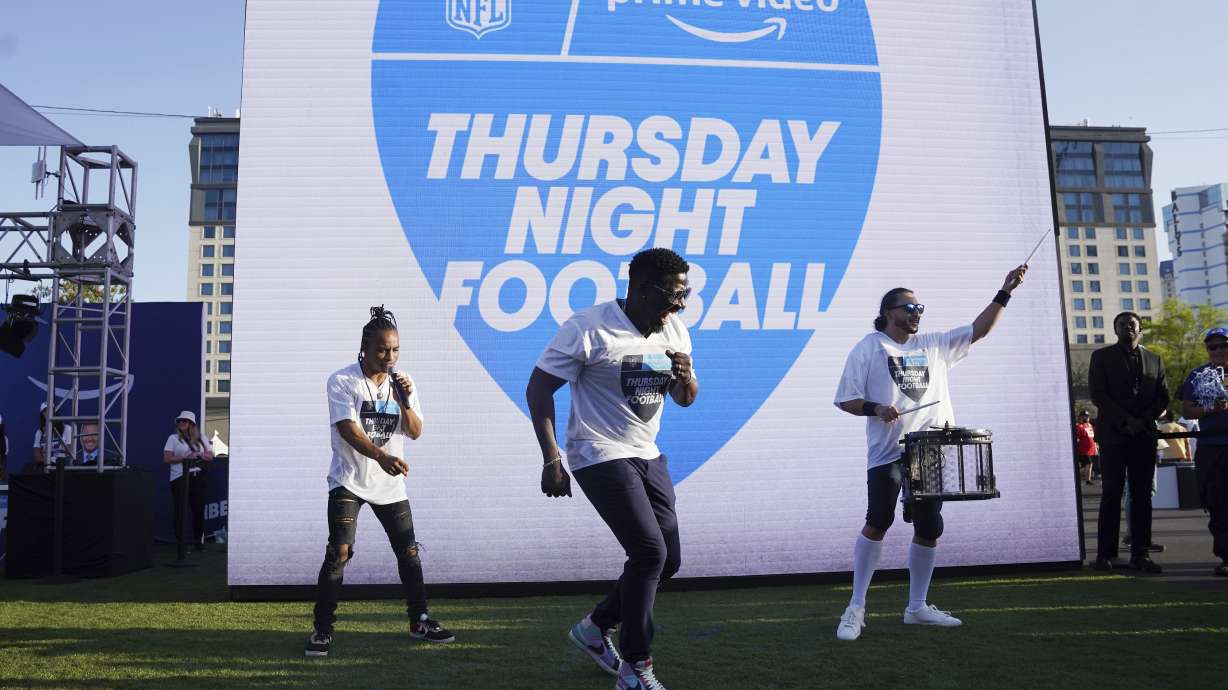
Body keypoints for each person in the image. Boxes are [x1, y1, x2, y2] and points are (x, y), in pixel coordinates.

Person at [527, 247, 698, 690]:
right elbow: (539, 388)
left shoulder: (674, 330)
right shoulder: (588, 327)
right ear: (642, 290)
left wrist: (686, 378)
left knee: (668, 560)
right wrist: (551, 458)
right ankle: (635, 668)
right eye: (673, 295)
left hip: (647, 452)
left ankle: (594, 627)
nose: (680, 305)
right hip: (597, 452)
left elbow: (684, 399)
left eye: (686, 295)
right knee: (649, 552)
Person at [831, 265, 1028, 642]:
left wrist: (1006, 291)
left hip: (929, 451)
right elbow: (846, 400)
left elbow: (979, 329)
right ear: (888, 312)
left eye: (920, 308)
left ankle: (917, 608)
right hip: (888, 453)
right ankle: (855, 607)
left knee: (929, 528)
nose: (916, 313)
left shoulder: (934, 344)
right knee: (878, 520)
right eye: (909, 307)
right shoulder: (868, 347)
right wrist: (877, 409)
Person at [305, 306, 453, 658]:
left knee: (409, 551)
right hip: (349, 480)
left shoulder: (403, 384)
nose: (390, 357)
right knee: (339, 552)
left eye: (396, 350)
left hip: (390, 486)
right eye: (383, 350)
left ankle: (420, 620)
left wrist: (404, 401)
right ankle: (322, 630)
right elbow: (347, 429)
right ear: (365, 347)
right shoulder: (342, 381)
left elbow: (415, 432)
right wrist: (382, 457)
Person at [1088, 312, 1168, 573]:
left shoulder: (1155, 360)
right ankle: (1105, 554)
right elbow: (1098, 394)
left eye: (1131, 324)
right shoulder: (1101, 357)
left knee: (1142, 495)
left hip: (1143, 435)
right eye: (1121, 324)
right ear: (1115, 330)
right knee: (1112, 493)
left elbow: (1162, 397)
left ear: (1140, 328)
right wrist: (1125, 420)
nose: (1127, 327)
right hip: (1114, 434)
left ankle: (1140, 553)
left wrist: (1142, 420)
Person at [1177, 326, 1228, 577]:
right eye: (1212, 346)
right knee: (1217, 503)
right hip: (1211, 447)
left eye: (1223, 345)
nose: (1218, 350)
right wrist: (1212, 410)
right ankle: (1226, 556)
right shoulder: (1199, 375)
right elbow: (1187, 410)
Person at [163, 411, 214, 550]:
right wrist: (185, 458)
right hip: (179, 478)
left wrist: (199, 455)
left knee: (198, 510)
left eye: (184, 421)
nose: (181, 423)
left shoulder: (202, 438)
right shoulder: (173, 438)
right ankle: (181, 544)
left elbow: (210, 456)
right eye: (179, 421)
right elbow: (167, 458)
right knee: (180, 510)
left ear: (191, 424)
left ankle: (199, 542)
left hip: (198, 477)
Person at [32, 402, 74, 470]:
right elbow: (37, 456)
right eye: (45, 411)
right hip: (45, 466)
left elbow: (69, 452)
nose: (48, 413)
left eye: (51, 410)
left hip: (62, 466)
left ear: (55, 412)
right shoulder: (39, 432)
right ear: (42, 414)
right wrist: (48, 463)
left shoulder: (67, 429)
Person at [1075, 410, 1098, 485]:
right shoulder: (1079, 426)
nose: (1087, 417)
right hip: (1083, 450)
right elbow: (1077, 439)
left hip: (1090, 450)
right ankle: (1087, 480)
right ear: (1081, 417)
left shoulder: (1089, 425)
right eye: (1085, 416)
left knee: (1086, 465)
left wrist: (1095, 446)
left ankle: (1086, 478)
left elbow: (1091, 437)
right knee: (1089, 464)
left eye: (1087, 416)